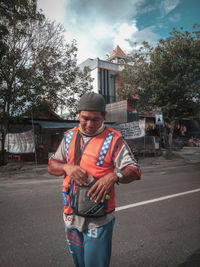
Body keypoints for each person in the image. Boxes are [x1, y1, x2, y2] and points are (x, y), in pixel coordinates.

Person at [48, 92, 141, 267]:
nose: (89, 124)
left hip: (99, 218)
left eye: (95, 119)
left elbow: (134, 169)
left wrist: (115, 175)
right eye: (85, 118)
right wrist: (66, 167)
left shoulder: (114, 139)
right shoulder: (69, 136)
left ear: (104, 116)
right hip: (70, 215)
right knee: (79, 263)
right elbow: (52, 165)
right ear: (78, 112)